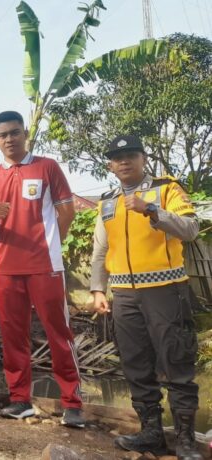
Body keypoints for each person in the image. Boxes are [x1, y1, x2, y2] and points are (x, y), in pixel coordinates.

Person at [91, 135, 202, 459]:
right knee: (136, 365)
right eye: (117, 157)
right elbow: (101, 250)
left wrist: (152, 210)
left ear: (143, 158)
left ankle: (184, 441)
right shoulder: (107, 201)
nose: (124, 161)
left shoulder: (167, 189)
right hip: (125, 295)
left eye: (130, 155)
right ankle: (151, 433)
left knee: (177, 363)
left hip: (166, 291)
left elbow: (191, 229)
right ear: (111, 165)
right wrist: (98, 288)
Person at [0, 111, 84, 427]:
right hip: (5, 267)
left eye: (14, 132)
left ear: (25, 135)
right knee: (13, 335)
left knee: (58, 333)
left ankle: (72, 404)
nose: (9, 139)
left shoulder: (47, 167)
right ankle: (20, 399)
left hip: (45, 265)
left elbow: (67, 211)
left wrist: (50, 246)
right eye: (3, 135)